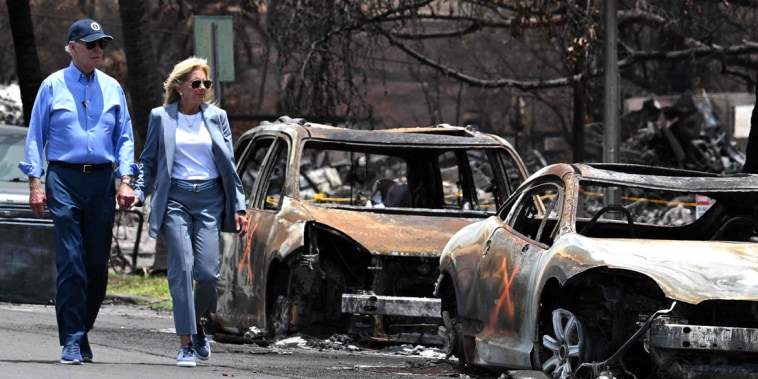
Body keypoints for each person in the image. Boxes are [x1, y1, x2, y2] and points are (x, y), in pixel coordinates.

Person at [18, 19, 138, 365]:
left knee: (97, 263)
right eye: (90, 45)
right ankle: (71, 339)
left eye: (101, 44)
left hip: (101, 181)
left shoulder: (113, 88)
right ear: (72, 47)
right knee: (71, 259)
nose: (98, 50)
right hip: (64, 179)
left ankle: (81, 330)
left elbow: (125, 138)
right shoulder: (52, 86)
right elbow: (35, 137)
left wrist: (127, 179)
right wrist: (35, 183)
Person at [130, 56, 248, 367]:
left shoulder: (217, 117)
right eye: (195, 83)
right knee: (180, 270)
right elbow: (150, 162)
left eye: (205, 84)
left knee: (208, 274)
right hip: (175, 200)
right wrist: (139, 192)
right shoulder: (161, 117)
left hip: (210, 201)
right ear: (180, 87)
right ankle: (185, 344)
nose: (202, 88)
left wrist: (239, 205)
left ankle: (195, 327)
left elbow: (230, 167)